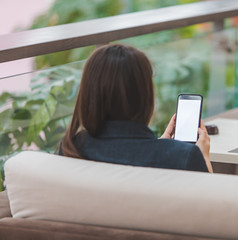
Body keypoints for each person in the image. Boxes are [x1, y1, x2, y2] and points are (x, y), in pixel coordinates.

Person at [59, 43, 213, 173]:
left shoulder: (73, 147)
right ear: (146, 96)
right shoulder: (183, 157)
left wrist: (160, 146)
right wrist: (202, 157)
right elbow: (210, 203)